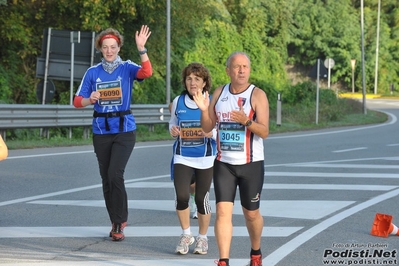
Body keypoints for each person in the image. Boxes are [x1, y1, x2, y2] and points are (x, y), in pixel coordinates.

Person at [73, 25, 153, 241]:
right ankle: (114, 219)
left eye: (113, 47)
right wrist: (90, 99)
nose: (109, 51)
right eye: (105, 47)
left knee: (115, 174)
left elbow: (146, 72)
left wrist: (142, 49)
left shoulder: (127, 67)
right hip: (101, 130)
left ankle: (120, 222)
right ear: (100, 49)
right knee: (106, 178)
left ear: (119, 48)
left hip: (124, 129)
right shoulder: (92, 72)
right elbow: (76, 101)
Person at [193, 52, 269, 266]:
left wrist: (246, 121)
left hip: (251, 165)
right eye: (237, 67)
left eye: (245, 66)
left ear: (249, 70)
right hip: (224, 164)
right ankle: (224, 260)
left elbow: (264, 132)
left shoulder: (257, 95)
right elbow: (207, 127)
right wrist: (202, 110)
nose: (241, 70)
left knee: (251, 214)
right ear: (228, 71)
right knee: (223, 212)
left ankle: (255, 252)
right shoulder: (219, 93)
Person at [169, 62, 217, 255]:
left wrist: (211, 133)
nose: (192, 82)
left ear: (204, 82)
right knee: (181, 196)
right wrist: (173, 131)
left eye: (197, 79)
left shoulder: (212, 102)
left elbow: (220, 129)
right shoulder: (178, 101)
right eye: (189, 79)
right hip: (182, 156)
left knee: (200, 199)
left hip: (205, 158)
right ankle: (186, 234)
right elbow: (173, 124)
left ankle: (203, 238)